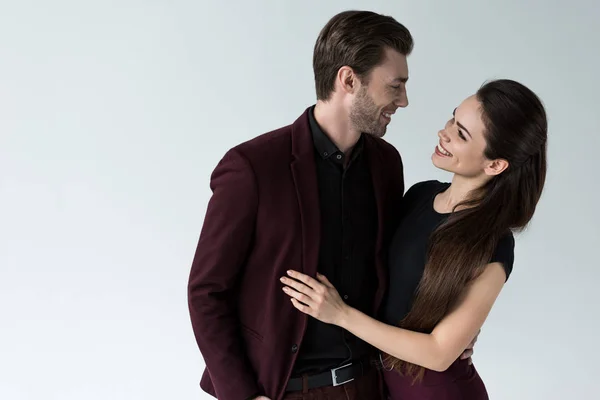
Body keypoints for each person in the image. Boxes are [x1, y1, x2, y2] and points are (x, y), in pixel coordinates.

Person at [187, 10, 478, 400]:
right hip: (288, 390)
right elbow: (206, 292)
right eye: (395, 86)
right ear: (348, 79)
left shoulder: (387, 164)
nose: (404, 101)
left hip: (372, 386)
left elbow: (397, 268)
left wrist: (450, 329)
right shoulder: (252, 167)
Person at [280, 78, 548, 399]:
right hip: (382, 386)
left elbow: (438, 353)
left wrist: (340, 314)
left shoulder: (493, 243)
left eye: (461, 134)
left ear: (495, 164)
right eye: (452, 118)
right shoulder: (420, 195)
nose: (444, 132)